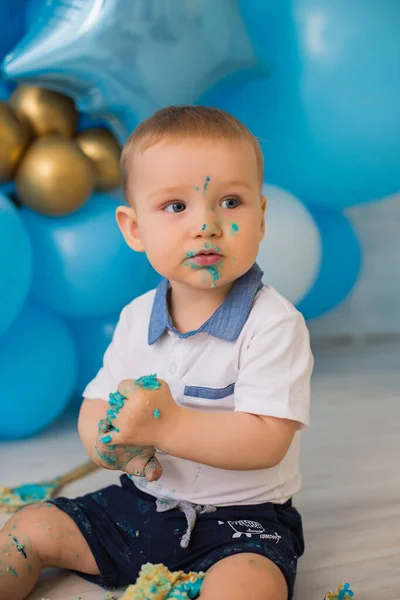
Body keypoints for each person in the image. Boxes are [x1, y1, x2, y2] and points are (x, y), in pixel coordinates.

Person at [0, 106, 313, 600]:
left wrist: (167, 427)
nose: (206, 225)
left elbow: (266, 440)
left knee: (251, 585)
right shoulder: (136, 317)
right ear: (134, 228)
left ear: (262, 217)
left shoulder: (273, 323)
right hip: (144, 503)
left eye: (230, 201)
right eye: (175, 207)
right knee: (30, 528)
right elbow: (99, 403)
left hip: (242, 523)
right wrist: (107, 442)